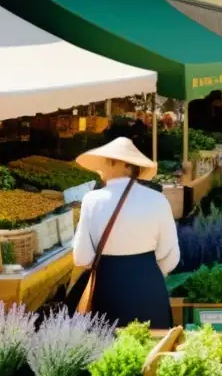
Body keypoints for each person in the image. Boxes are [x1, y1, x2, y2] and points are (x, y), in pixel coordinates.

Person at [71, 138, 179, 328]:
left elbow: (81, 257)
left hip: (107, 287)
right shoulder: (157, 199)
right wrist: (144, 272)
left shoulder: (92, 200)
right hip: (149, 287)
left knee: (110, 351)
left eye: (104, 162)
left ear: (114, 163)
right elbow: (171, 257)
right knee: (152, 348)